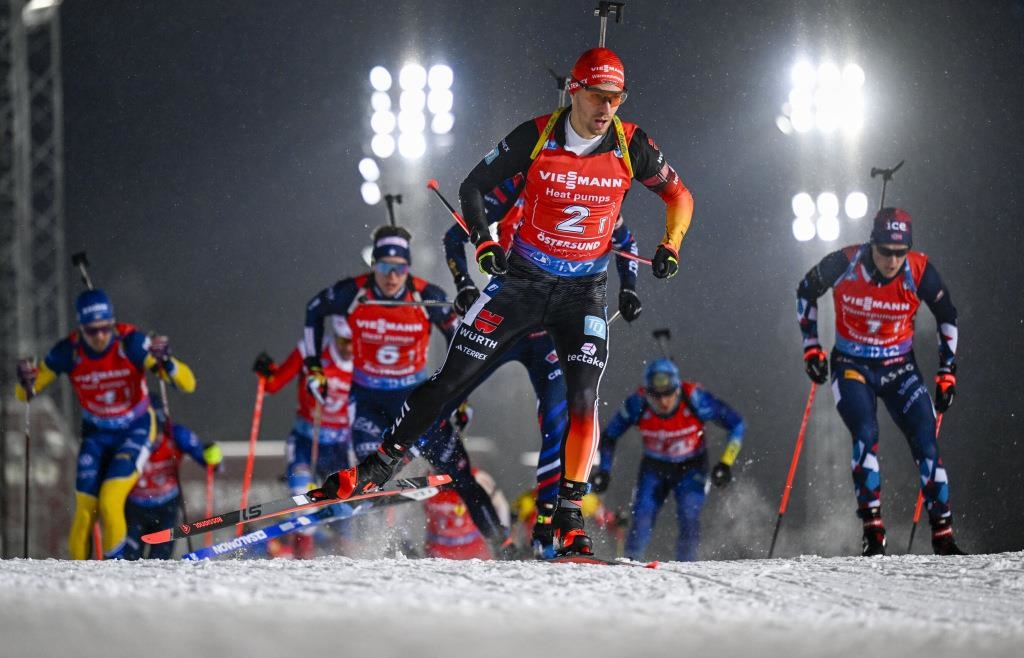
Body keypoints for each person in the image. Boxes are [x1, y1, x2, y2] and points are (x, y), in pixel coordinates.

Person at [312, 47, 693, 557]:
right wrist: (484, 243)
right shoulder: (535, 135)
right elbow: (473, 187)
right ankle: (376, 468)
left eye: (616, 98)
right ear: (574, 91)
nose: (607, 109)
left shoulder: (631, 144)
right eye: (599, 97)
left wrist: (672, 244)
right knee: (451, 380)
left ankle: (569, 518)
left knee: (582, 399)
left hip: (582, 293)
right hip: (521, 284)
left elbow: (679, 196)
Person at [441, 176, 642, 557]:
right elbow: (454, 236)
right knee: (446, 389)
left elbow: (626, 242)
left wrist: (628, 287)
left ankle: (549, 528)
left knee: (559, 419)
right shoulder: (511, 190)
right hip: (506, 321)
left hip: (549, 331)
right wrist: (464, 284)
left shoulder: (589, 192)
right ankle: (403, 454)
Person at [303, 225, 510, 554]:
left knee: (462, 475)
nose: (392, 276)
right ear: (374, 265)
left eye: (399, 268)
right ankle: (374, 541)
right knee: (369, 476)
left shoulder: (426, 295)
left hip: (415, 403)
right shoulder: (353, 293)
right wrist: (313, 366)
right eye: (384, 266)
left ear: (408, 267)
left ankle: (505, 545)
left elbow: (462, 338)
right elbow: (314, 309)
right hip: (367, 401)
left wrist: (459, 395)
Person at [796, 207, 965, 556]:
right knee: (865, 434)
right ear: (873, 244)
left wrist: (947, 372)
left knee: (926, 443)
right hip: (853, 366)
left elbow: (948, 316)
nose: (892, 260)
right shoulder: (845, 261)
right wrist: (812, 348)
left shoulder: (918, 269)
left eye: (900, 253)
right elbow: (805, 291)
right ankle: (873, 533)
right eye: (886, 251)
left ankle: (944, 536)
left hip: (899, 368)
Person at [15, 289, 196, 559]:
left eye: (105, 328)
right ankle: (77, 579)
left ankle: (115, 571)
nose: (100, 336)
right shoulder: (69, 351)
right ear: (81, 329)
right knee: (86, 510)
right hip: (97, 434)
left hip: (136, 429)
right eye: (92, 331)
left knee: (111, 499)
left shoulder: (131, 342)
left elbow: (188, 383)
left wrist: (167, 362)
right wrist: (26, 380)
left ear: (112, 323)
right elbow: (24, 395)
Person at [591, 358, 744, 561]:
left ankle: (687, 567)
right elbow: (610, 435)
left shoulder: (695, 398)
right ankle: (630, 563)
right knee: (642, 516)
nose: (664, 402)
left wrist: (726, 462)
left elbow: (736, 424)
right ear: (647, 392)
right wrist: (604, 469)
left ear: (678, 389)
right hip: (655, 467)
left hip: (691, 466)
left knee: (689, 515)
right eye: (656, 396)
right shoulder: (637, 403)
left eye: (669, 394)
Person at [253, 319, 354, 558]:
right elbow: (274, 383)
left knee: (344, 504)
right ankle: (301, 559)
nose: (349, 348)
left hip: (340, 445)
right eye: (343, 342)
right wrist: (266, 372)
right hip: (306, 440)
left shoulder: (368, 360)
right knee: (302, 499)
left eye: (354, 342)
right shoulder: (311, 350)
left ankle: (347, 559)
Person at [123, 392, 222, 560]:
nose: (154, 439)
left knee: (160, 559)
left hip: (165, 507)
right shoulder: (127, 439)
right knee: (128, 559)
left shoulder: (177, 435)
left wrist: (212, 457)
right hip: (134, 508)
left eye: (158, 431)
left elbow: (212, 464)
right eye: (148, 432)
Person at [423, 468, 511, 560]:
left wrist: (503, 539)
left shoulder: (477, 477)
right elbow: (409, 509)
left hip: (475, 550)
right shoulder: (426, 480)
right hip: (438, 551)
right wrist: (407, 544)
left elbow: (501, 505)